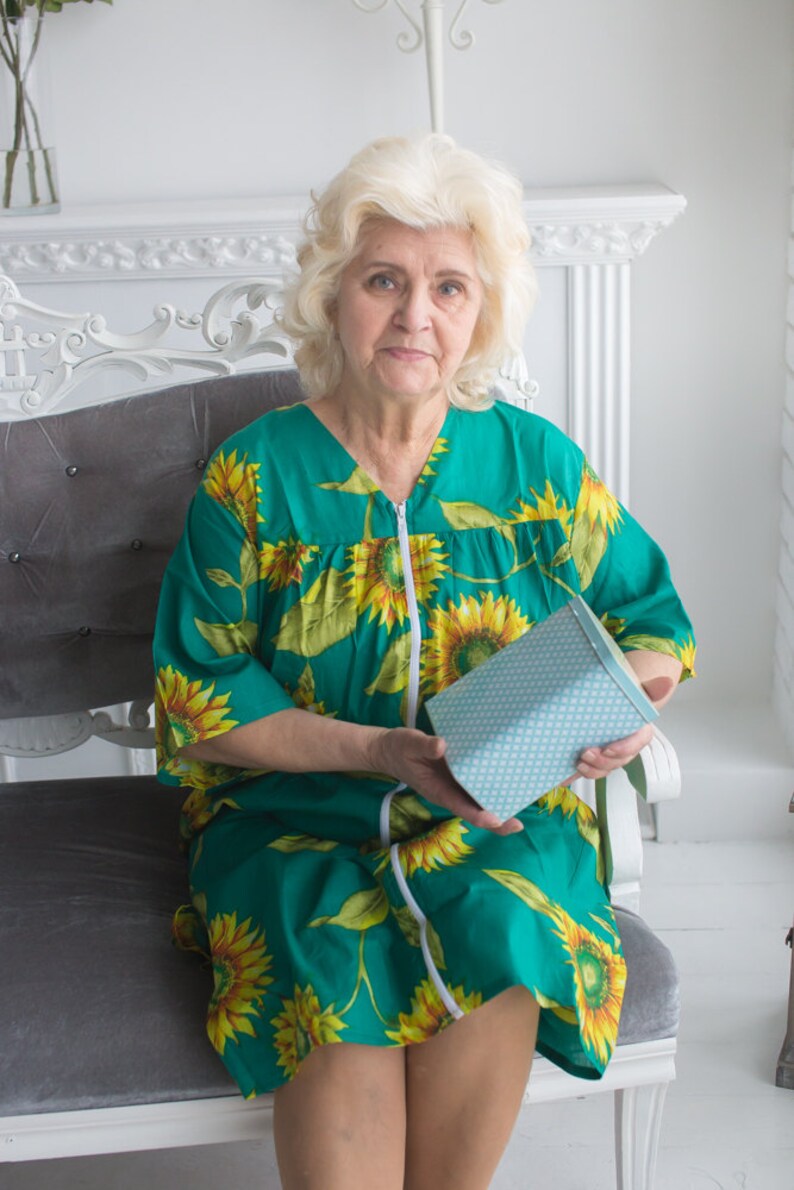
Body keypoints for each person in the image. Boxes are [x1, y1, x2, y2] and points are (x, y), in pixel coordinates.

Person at [153, 133, 695, 1190]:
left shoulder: (532, 463)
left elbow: (651, 621)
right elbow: (200, 699)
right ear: (332, 296)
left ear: (479, 312)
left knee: (503, 915)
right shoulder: (252, 477)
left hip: (497, 813)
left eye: (448, 286)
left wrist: (625, 704)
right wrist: (377, 751)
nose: (415, 315)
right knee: (323, 942)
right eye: (384, 280)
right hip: (292, 818)